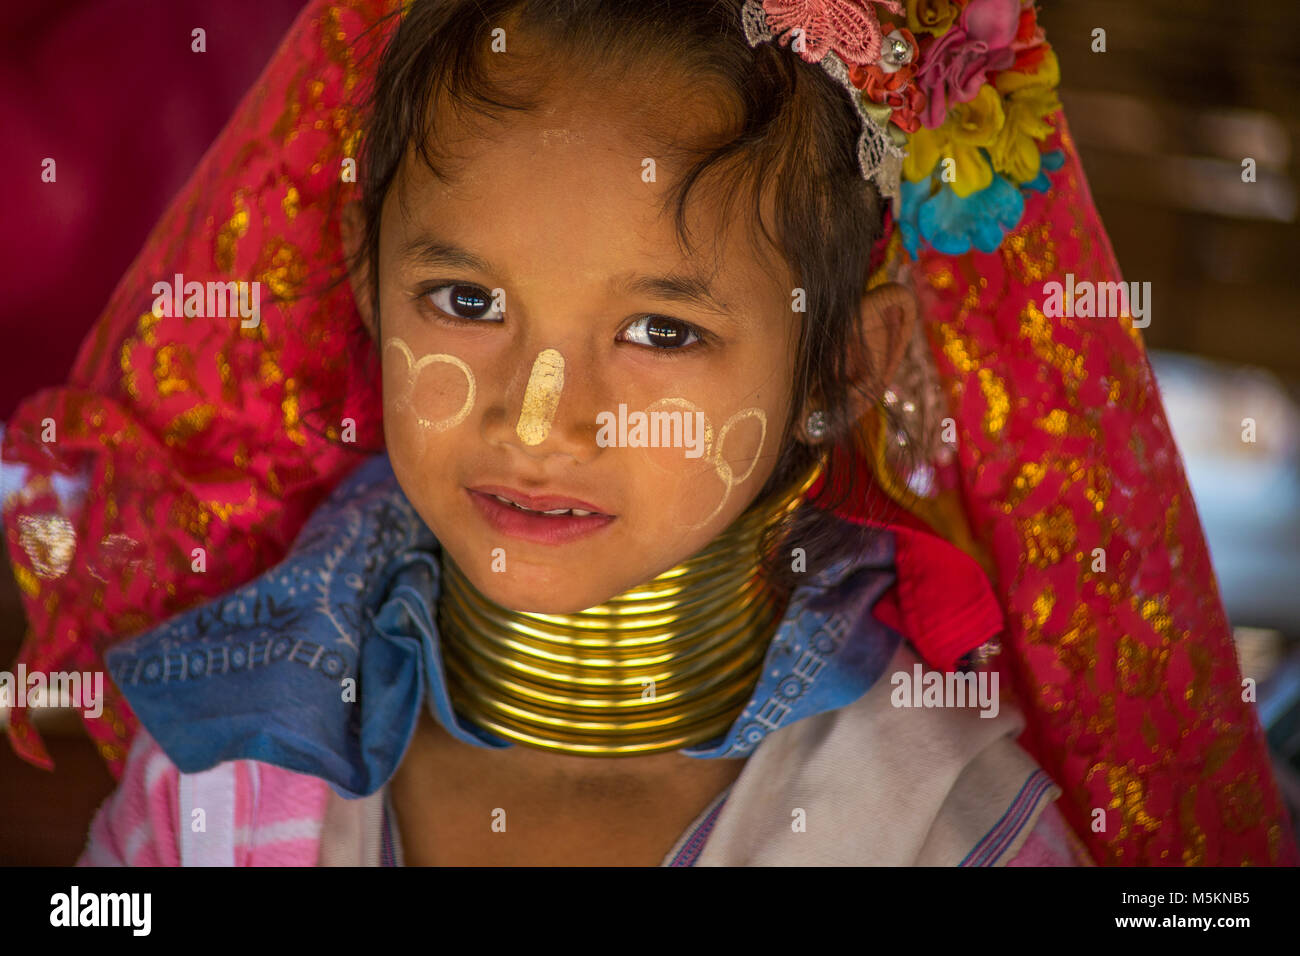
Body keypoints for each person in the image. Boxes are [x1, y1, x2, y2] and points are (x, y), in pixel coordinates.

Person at [4, 0, 1292, 866]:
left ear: (844, 361)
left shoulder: (929, 825)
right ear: (361, 281)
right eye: (466, 303)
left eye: (663, 332)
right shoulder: (222, 752)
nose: (540, 415)